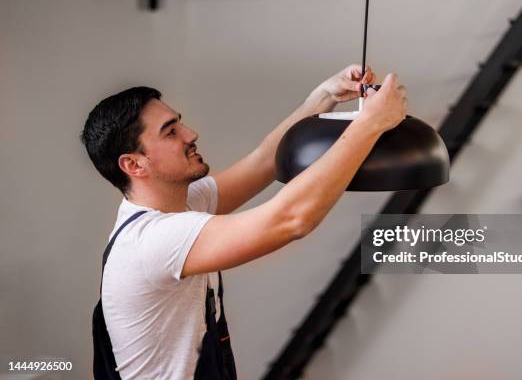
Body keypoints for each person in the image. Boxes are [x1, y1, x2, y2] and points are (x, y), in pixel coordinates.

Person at [81, 64, 407, 379]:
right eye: (170, 132)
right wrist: (369, 125)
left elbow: (264, 160)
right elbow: (292, 219)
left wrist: (325, 95)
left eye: (179, 124)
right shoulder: (152, 241)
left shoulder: (182, 205)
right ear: (134, 165)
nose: (190, 134)